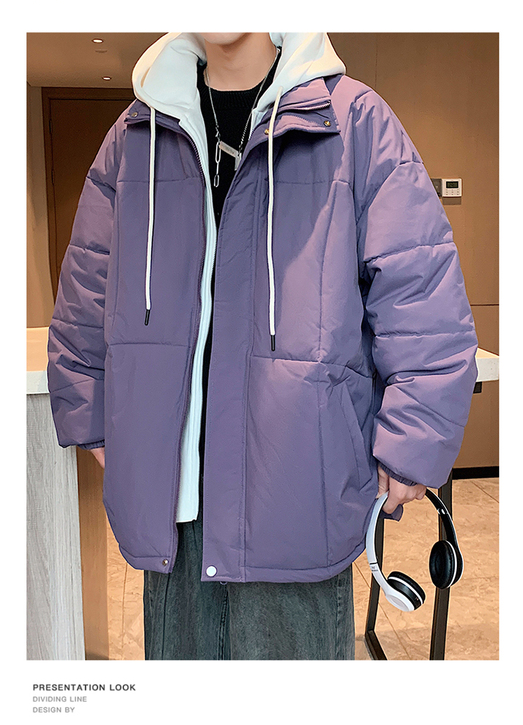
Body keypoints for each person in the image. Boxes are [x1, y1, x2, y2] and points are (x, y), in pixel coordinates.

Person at [47, 32, 478, 660]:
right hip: (175, 501)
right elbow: (88, 287)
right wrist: (92, 419)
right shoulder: (138, 132)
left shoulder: (352, 121)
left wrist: (413, 441)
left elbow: (422, 292)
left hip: (297, 490)